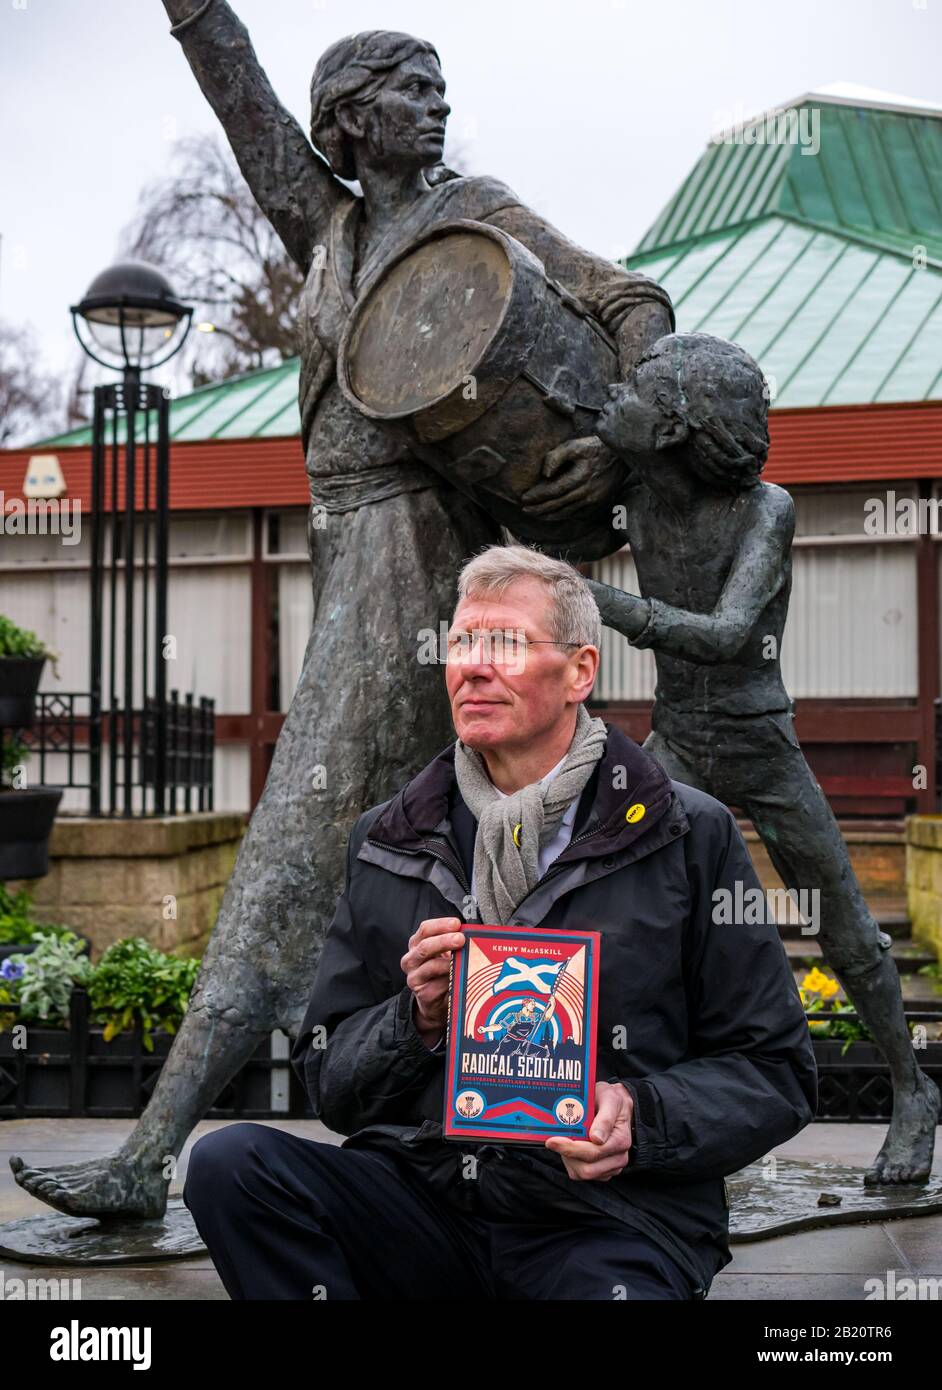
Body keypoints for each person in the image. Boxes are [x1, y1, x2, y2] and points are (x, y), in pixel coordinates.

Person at [10, 4, 670, 1221]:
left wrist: (626, 426)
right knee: (453, 862)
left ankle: (149, 1155)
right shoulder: (328, 225)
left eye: (441, 88)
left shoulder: (479, 213)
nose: (438, 106)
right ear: (353, 121)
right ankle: (505, 1162)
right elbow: (240, 100)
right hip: (353, 550)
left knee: (288, 856)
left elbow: (628, 298)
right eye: (413, 89)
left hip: (408, 552)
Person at [182, 543, 818, 1300]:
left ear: (581, 671)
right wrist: (415, 1023)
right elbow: (331, 1082)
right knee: (231, 1168)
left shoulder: (686, 832)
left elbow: (773, 1073)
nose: (473, 666)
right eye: (461, 643)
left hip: (605, 1217)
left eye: (505, 644)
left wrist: (637, 1117)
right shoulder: (390, 837)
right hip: (429, 1193)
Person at [534, 332, 938, 1185]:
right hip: (677, 738)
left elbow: (724, 635)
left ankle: (912, 1093)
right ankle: (575, 1098)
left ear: (678, 423)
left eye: (639, 390)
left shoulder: (767, 508)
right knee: (591, 900)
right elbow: (541, 477)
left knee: (845, 925)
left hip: (759, 741)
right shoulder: (632, 485)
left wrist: (586, 598)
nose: (619, 400)